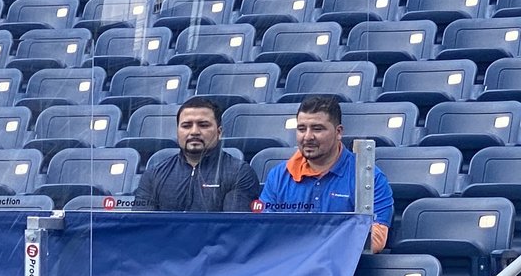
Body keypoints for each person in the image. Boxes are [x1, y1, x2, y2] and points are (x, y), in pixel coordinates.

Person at [256, 94, 394, 252]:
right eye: (301, 129)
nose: (307, 137)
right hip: (290, 270)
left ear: (338, 132)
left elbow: (376, 239)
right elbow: (264, 231)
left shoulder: (369, 177)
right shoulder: (278, 176)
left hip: (344, 272)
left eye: (317, 129)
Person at [133, 96, 261, 212]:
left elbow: (233, 229)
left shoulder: (239, 173)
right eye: (186, 126)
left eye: (203, 125)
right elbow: (143, 227)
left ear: (219, 132)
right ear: (177, 132)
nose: (194, 131)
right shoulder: (153, 175)